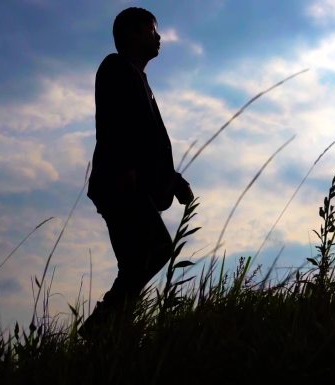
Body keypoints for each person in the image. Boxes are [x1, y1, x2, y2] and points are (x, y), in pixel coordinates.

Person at [79, 7, 194, 338]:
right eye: (152, 30)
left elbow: (148, 143)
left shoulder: (139, 79)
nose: (158, 37)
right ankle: (104, 324)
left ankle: (112, 332)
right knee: (155, 248)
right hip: (118, 182)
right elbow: (119, 126)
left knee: (138, 259)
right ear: (132, 34)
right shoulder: (116, 68)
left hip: (127, 182)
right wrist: (125, 169)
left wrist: (173, 180)